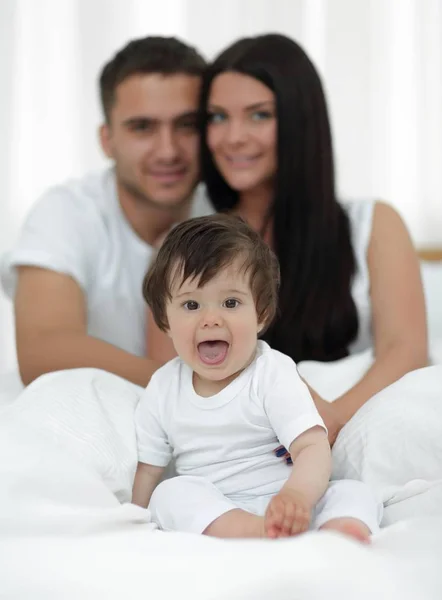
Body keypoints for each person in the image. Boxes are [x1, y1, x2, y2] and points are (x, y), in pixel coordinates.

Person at [147, 33, 428, 444]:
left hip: (347, 424)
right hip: (239, 446)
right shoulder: (183, 244)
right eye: (218, 117)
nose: (233, 136)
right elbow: (171, 373)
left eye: (259, 115)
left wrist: (325, 421)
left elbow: (405, 352)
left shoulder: (375, 224)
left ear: (301, 122)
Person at [132, 214, 381, 542]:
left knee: (355, 492)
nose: (210, 319)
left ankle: (338, 530)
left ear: (260, 314)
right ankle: (255, 532)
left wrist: (297, 497)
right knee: (169, 494)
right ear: (165, 320)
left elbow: (312, 447)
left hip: (288, 501)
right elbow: (149, 468)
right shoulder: (163, 387)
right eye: (191, 304)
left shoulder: (271, 371)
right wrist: (133, 517)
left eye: (230, 302)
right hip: (219, 509)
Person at [0, 36, 213, 388]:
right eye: (142, 127)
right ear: (106, 140)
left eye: (187, 125)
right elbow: (43, 352)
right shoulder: (67, 212)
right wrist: (194, 387)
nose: (168, 150)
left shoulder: (225, 211)